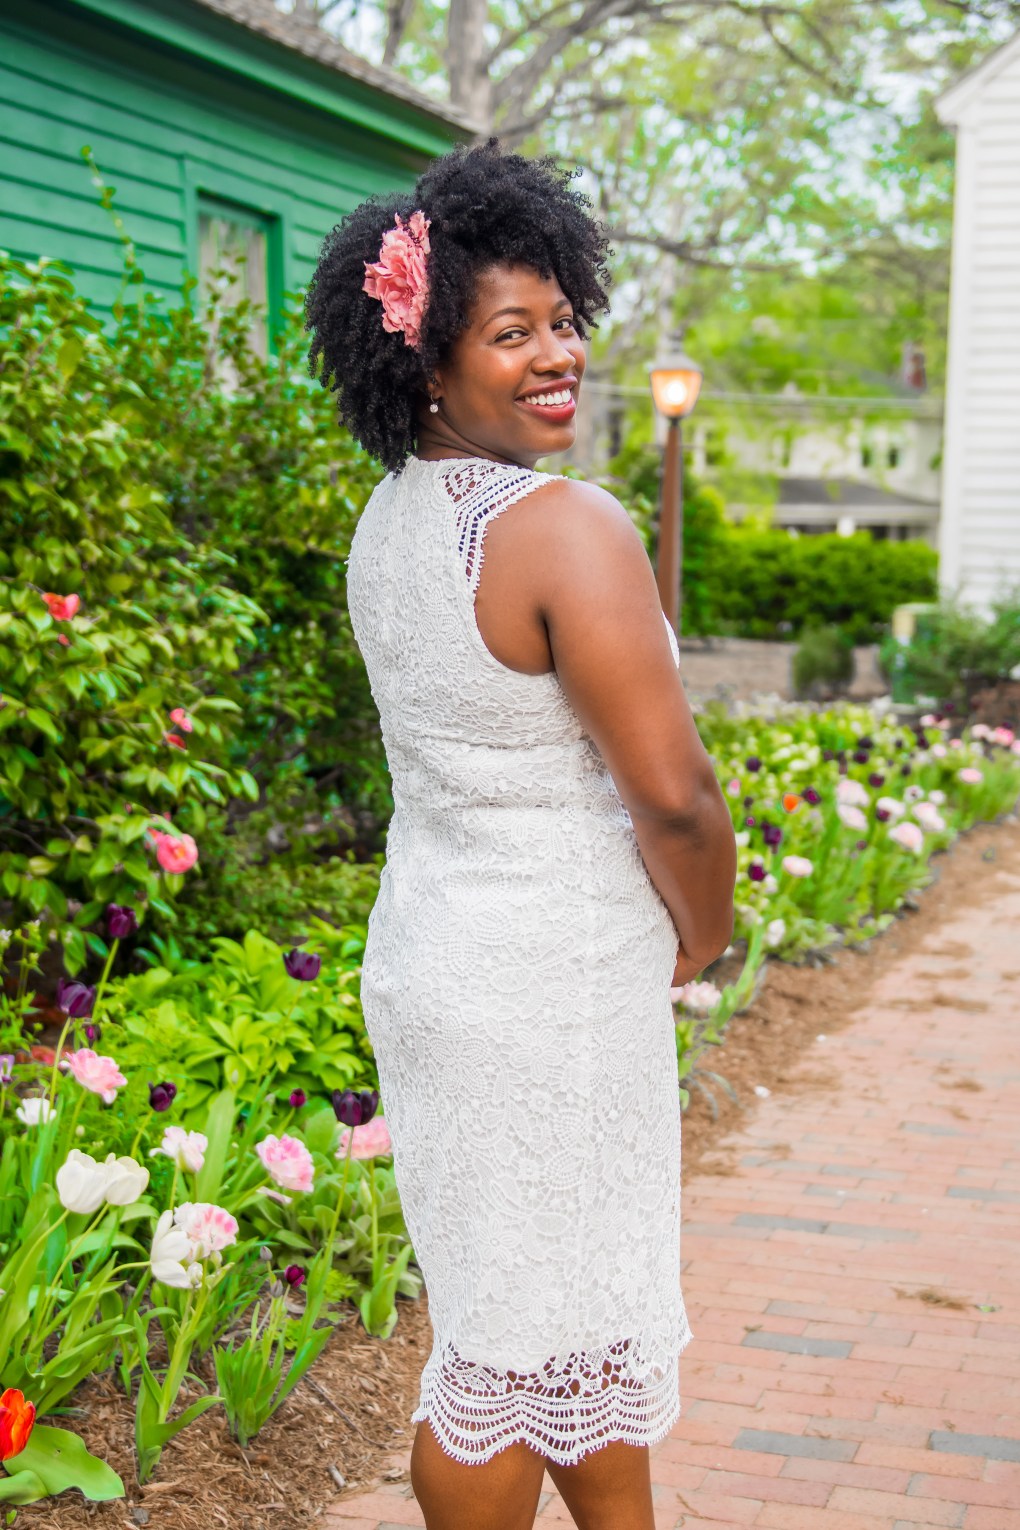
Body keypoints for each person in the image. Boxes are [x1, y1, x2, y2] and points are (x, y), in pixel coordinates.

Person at [305, 137, 736, 1530]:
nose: (558, 355)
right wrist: (708, 931)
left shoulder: (388, 525)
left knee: (551, 1319)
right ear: (428, 362)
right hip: (551, 982)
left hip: (438, 960)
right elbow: (674, 792)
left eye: (562, 320)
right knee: (507, 1351)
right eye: (511, 332)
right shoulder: (564, 527)